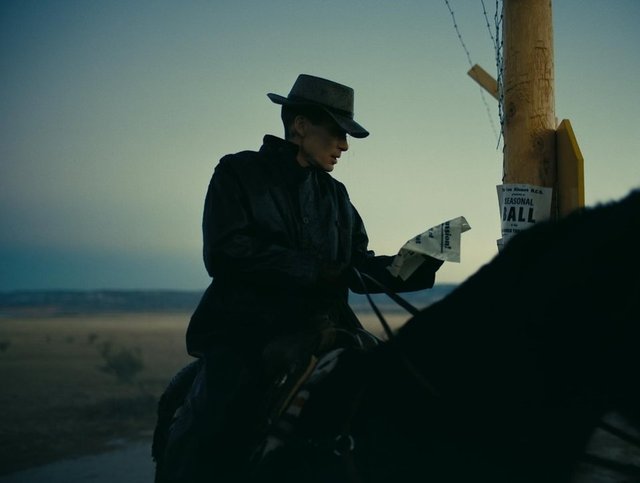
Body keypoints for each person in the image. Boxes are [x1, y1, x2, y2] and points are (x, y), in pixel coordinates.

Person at [164, 74, 444, 482]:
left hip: (328, 329)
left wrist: (413, 265)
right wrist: (317, 270)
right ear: (300, 126)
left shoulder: (336, 195)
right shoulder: (238, 171)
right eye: (337, 132)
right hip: (247, 331)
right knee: (216, 424)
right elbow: (226, 252)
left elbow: (356, 267)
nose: (344, 145)